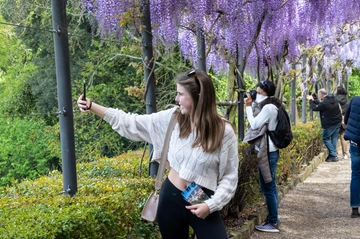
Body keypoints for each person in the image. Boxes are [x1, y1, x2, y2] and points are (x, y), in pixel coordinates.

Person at [77, 69, 239, 239]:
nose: (176, 99)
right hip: (171, 197)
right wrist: (92, 106)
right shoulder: (173, 118)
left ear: (198, 97)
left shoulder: (223, 131)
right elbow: (130, 122)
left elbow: (230, 177)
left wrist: (210, 205)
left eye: (180, 94)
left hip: (197, 196)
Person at [243, 80, 280, 233]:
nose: (256, 95)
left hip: (268, 152)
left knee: (268, 186)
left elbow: (255, 124)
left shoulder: (269, 108)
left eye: (258, 93)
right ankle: (274, 218)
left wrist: (247, 107)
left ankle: (273, 221)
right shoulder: (271, 104)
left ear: (265, 93)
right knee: (270, 186)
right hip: (269, 150)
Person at [307, 88, 342, 162]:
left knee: (325, 138)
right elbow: (320, 104)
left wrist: (310, 100)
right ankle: (332, 154)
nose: (319, 96)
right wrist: (314, 100)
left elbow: (314, 108)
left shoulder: (325, 103)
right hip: (338, 121)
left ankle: (333, 155)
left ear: (321, 94)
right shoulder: (332, 98)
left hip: (330, 123)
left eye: (319, 95)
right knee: (334, 138)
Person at [343, 96, 360, 218]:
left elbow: (346, 119)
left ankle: (355, 208)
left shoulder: (355, 100)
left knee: (356, 175)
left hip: (355, 143)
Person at [335, 85, 350, 159]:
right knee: (343, 136)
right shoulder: (347, 99)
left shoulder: (334, 99)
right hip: (344, 120)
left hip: (336, 119)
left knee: (334, 136)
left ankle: (335, 153)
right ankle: (345, 154)